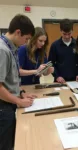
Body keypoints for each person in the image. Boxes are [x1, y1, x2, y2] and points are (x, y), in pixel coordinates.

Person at [0, 14, 35, 150]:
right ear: (18, 32)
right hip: (3, 107)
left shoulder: (10, 47)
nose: (26, 43)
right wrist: (19, 101)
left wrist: (20, 93)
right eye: (26, 39)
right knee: (6, 144)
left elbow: (11, 77)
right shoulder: (2, 50)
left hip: (9, 102)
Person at [48, 19, 78, 83]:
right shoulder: (55, 45)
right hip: (59, 80)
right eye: (64, 34)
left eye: (69, 34)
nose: (67, 36)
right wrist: (57, 76)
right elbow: (51, 63)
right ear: (60, 31)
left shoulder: (77, 44)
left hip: (74, 80)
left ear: (72, 31)